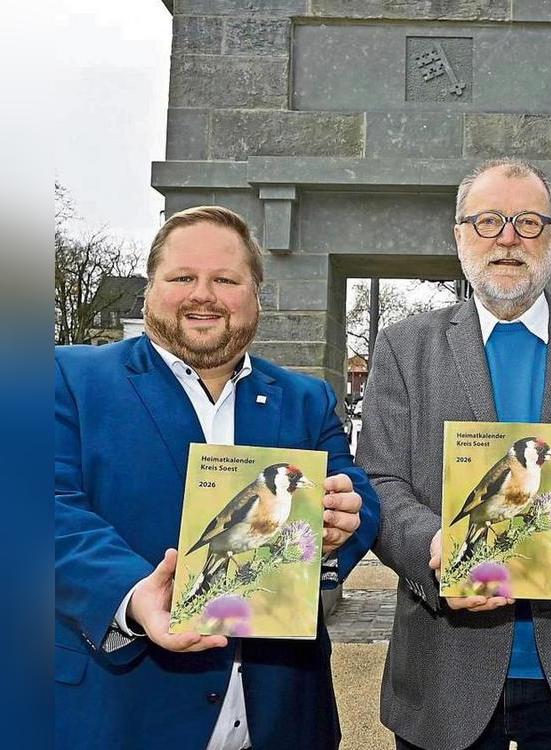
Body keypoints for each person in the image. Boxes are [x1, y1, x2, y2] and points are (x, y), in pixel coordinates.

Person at [357, 158, 551, 750]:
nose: (507, 239)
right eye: (488, 221)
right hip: (445, 675)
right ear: (459, 235)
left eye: (528, 222)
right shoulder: (404, 348)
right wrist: (432, 546)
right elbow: (379, 481)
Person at [55, 206, 380, 749]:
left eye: (226, 280)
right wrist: (132, 596)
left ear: (256, 296)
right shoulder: (69, 377)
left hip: (280, 719)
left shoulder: (306, 398)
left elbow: (356, 493)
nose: (202, 295)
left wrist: (340, 525)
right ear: (150, 289)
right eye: (182, 277)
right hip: (119, 715)